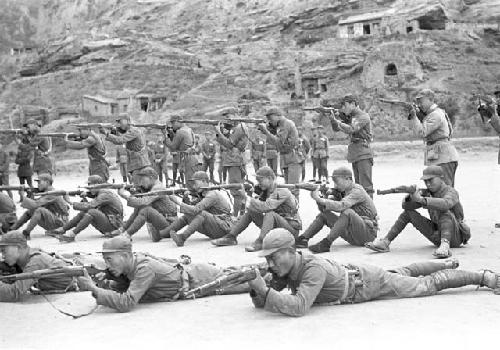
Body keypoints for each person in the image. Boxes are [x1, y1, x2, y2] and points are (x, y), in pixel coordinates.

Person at [246, 228, 500, 317]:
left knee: (423, 286)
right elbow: (265, 303)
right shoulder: (288, 267)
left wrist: (264, 289)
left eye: (273, 256)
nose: (270, 262)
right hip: (360, 276)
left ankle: (483, 277)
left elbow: (299, 307)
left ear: (291, 251)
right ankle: (446, 264)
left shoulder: (312, 268)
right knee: (404, 270)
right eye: (267, 258)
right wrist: (257, 289)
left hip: (367, 283)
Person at [76, 236, 250, 313]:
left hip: (201, 278)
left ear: (124, 256)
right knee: (245, 273)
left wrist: (93, 288)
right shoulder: (131, 267)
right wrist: (105, 283)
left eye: (110, 259)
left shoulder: (143, 268)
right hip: (192, 276)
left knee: (249, 278)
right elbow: (126, 288)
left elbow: (127, 302)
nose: (107, 264)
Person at [366, 165, 470, 259]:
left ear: (441, 178)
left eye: (431, 180)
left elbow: (445, 204)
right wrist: (411, 196)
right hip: (437, 233)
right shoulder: (427, 193)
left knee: (445, 212)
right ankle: (385, 242)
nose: (428, 183)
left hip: (454, 236)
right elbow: (406, 207)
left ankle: (445, 246)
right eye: (426, 181)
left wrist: (421, 200)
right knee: (408, 213)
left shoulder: (451, 192)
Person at [211, 166, 301, 252]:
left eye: (260, 180)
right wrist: (249, 195)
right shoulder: (266, 191)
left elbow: (265, 207)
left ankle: (261, 241)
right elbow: (255, 206)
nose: (258, 182)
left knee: (270, 213)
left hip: (290, 229)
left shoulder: (282, 191)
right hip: (276, 227)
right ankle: (231, 237)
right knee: (252, 211)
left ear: (269, 178)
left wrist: (246, 197)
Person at [298, 166, 377, 253]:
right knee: (324, 215)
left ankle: (326, 244)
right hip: (352, 233)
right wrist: (322, 197)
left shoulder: (357, 191)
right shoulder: (343, 191)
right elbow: (324, 209)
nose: (335, 185)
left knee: (348, 212)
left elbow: (341, 206)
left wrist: (320, 199)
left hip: (367, 234)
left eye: (337, 181)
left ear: (348, 179)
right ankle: (303, 239)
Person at [157, 171, 234, 246]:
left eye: (195, 183)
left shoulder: (212, 195)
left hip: (223, 229)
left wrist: (177, 201)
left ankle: (182, 237)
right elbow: (189, 209)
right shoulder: (203, 194)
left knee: (202, 214)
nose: (194, 186)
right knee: (187, 216)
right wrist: (185, 198)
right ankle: (163, 234)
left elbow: (195, 210)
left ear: (204, 181)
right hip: (216, 226)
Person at [0, 231, 78, 302]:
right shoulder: (23, 260)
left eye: (4, 251)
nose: (3, 256)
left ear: (18, 247)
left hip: (78, 281)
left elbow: (13, 293)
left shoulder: (36, 262)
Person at [110, 167, 177, 241]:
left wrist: (125, 196)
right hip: (163, 221)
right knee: (140, 208)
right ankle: (123, 229)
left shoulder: (158, 188)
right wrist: (133, 193)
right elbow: (142, 201)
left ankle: (127, 235)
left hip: (170, 224)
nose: (141, 182)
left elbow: (143, 201)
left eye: (143, 179)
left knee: (146, 210)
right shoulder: (153, 187)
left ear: (151, 178)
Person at [409, 89, 459, 187]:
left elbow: (422, 132)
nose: (419, 104)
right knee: (441, 191)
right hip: (440, 156)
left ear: (431, 99)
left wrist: (414, 117)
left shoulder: (435, 115)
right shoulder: (432, 114)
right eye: (418, 102)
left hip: (443, 158)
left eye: (421, 101)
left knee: (445, 191)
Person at [327, 95, 374, 198]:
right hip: (355, 153)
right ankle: (360, 210)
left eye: (345, 106)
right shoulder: (351, 117)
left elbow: (351, 129)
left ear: (353, 104)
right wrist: (332, 120)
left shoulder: (362, 116)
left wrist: (337, 120)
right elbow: (337, 129)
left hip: (363, 152)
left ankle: (370, 211)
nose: (343, 109)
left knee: (366, 187)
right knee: (357, 186)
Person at [53, 175, 124, 242]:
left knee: (91, 212)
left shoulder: (105, 194)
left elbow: (90, 205)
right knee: (84, 212)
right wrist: (86, 194)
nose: (89, 187)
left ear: (97, 184)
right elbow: (93, 198)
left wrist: (70, 202)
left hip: (114, 225)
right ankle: (63, 229)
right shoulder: (102, 192)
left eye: (90, 185)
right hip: (110, 222)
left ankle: (72, 235)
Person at [258, 107, 301, 198]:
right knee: (288, 187)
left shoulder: (286, 124)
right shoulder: (280, 125)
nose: (269, 120)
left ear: (278, 116)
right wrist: (267, 129)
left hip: (293, 157)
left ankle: (294, 210)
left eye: (271, 118)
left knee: (293, 188)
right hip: (285, 157)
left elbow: (279, 142)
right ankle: (291, 209)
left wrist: (266, 131)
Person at [10, 173, 69, 240]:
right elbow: (35, 204)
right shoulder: (47, 192)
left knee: (39, 210)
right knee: (31, 211)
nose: (38, 185)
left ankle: (26, 233)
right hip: (54, 220)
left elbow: (35, 204)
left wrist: (22, 196)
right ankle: (12, 229)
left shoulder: (52, 193)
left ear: (47, 182)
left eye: (39, 182)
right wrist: (30, 195)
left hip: (60, 224)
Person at [214, 108, 248, 216]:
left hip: (235, 161)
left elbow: (229, 144)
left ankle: (236, 214)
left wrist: (218, 132)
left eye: (228, 116)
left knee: (235, 189)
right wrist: (221, 132)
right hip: (235, 160)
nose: (227, 119)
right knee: (239, 187)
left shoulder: (239, 128)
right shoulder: (238, 127)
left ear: (236, 115)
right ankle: (242, 211)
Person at [163, 115, 198, 187]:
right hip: (191, 157)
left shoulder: (180, 131)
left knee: (190, 183)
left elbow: (173, 146)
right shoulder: (189, 129)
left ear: (178, 121)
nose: (172, 125)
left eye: (173, 123)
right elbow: (194, 143)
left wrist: (165, 136)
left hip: (186, 158)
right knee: (192, 181)